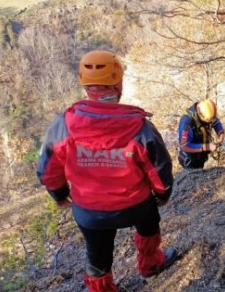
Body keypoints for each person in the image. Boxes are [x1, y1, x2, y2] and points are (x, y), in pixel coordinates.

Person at [37, 50, 176, 292]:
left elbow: (49, 169)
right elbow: (159, 167)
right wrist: (162, 194)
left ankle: (102, 289)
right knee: (149, 226)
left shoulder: (64, 125)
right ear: (119, 84)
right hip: (137, 206)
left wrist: (59, 194)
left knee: (97, 255)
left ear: (85, 87)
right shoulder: (139, 126)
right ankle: (151, 265)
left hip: (90, 212)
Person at [177, 99, 225, 170]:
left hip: (200, 156)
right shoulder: (187, 123)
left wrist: (220, 133)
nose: (211, 121)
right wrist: (207, 147)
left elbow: (215, 121)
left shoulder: (206, 113)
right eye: (208, 120)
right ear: (201, 116)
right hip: (190, 160)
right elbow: (185, 145)